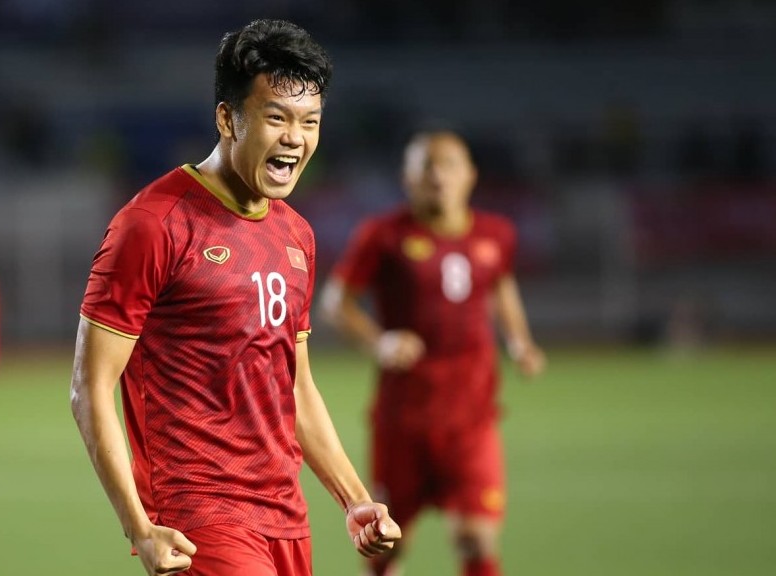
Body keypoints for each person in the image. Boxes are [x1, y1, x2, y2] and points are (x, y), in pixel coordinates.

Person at [70, 19, 401, 576]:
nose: (295, 137)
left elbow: (295, 386)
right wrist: (139, 526)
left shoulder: (296, 235)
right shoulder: (153, 224)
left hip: (285, 518)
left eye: (310, 122)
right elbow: (90, 385)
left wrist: (354, 499)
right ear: (227, 119)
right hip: (199, 517)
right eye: (276, 117)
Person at [322, 131, 546, 576]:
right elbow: (335, 303)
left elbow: (501, 286)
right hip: (403, 420)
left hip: (471, 419)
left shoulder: (496, 234)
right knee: (385, 544)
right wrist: (380, 341)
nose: (438, 176)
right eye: (427, 167)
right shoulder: (383, 235)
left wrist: (520, 340)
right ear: (407, 178)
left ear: (471, 175)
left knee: (476, 537)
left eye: (449, 165)